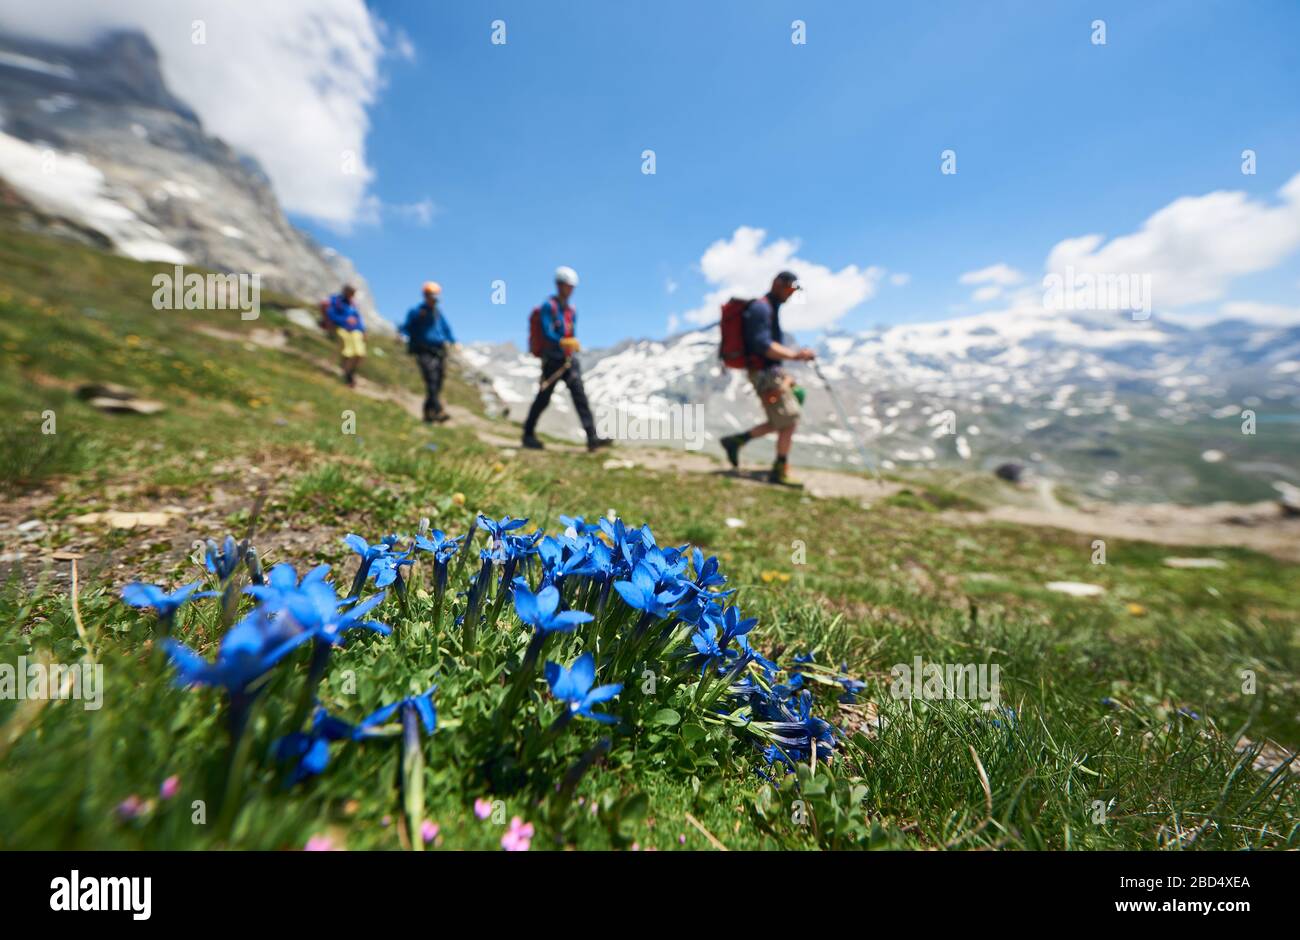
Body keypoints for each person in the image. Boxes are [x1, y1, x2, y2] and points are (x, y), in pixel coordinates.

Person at [718, 271, 816, 486]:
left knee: (780, 418)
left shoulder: (770, 309)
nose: (790, 294)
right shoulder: (761, 308)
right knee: (789, 419)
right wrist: (795, 355)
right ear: (777, 284)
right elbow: (762, 345)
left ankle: (735, 441)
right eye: (789, 289)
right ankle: (779, 471)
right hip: (765, 374)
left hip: (770, 372)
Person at [521, 266, 613, 452]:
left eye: (572, 287)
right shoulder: (549, 306)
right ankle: (528, 434)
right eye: (567, 286)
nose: (570, 290)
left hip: (569, 360)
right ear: (559, 285)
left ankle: (592, 438)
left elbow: (572, 332)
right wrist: (563, 341)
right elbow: (547, 332)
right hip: (552, 360)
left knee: (580, 397)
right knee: (543, 398)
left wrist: (571, 345)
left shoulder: (571, 310)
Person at [400, 281, 456, 423]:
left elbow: (446, 328)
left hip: (439, 350)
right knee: (431, 380)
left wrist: (453, 340)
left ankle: (428, 415)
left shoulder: (438, 313)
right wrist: (417, 320)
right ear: (425, 296)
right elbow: (406, 327)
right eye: (431, 296)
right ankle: (439, 410)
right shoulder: (416, 311)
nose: (434, 299)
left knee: (438, 382)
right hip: (423, 349)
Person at [324, 284, 366, 386]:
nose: (352, 294)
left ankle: (350, 373)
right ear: (345, 291)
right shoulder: (336, 300)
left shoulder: (353, 305)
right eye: (351, 292)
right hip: (342, 328)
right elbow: (330, 313)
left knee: (360, 353)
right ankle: (347, 376)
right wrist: (344, 320)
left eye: (354, 292)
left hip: (356, 330)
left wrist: (363, 330)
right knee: (348, 352)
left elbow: (358, 318)